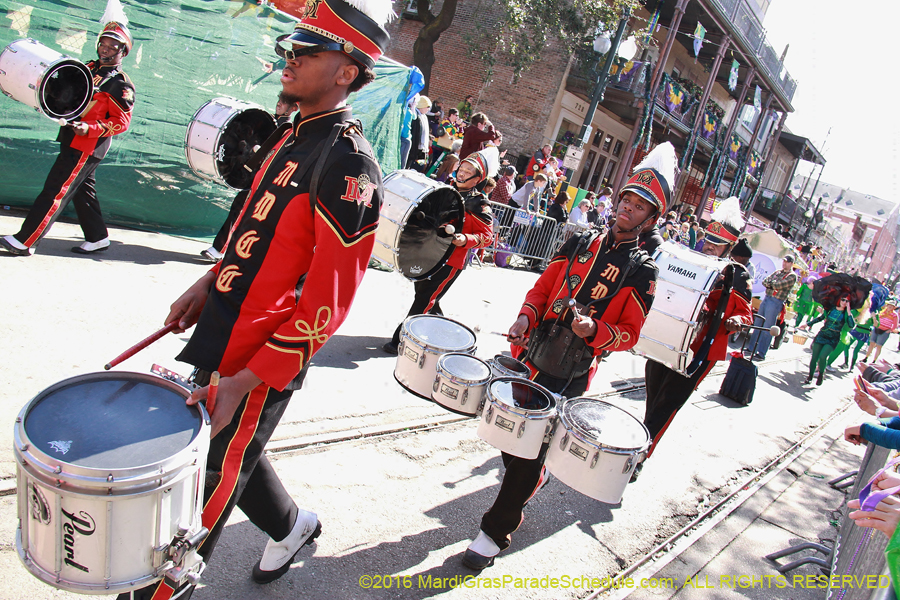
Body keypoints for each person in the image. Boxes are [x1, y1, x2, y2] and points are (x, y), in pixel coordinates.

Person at [117, 2, 391, 597]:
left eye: (307, 52)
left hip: (258, 358)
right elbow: (256, 233)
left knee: (199, 497)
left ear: (347, 72)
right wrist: (206, 282)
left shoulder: (349, 165)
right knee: (230, 452)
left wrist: (245, 380)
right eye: (290, 48)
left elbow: (330, 299)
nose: (288, 59)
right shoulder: (291, 132)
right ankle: (292, 527)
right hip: (223, 326)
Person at [460, 142, 675, 571]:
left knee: (527, 447)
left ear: (652, 218)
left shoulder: (643, 269)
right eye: (626, 201)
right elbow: (543, 287)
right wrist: (524, 317)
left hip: (570, 368)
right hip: (533, 350)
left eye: (638, 207)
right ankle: (533, 474)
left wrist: (596, 331)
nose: (627, 210)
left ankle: (494, 531)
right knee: (509, 437)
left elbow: (629, 334)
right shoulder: (580, 239)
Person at [1, 17, 135, 257]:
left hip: (87, 144)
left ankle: (26, 241)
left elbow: (122, 122)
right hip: (70, 137)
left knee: (55, 190)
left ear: (123, 51)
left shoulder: (119, 85)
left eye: (113, 45)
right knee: (83, 190)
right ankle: (98, 237)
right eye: (103, 42)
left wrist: (90, 128)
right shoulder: (88, 68)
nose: (106, 48)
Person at [641, 199, 752, 478]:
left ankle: (640, 455)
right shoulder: (692, 260)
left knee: (668, 403)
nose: (709, 246)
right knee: (653, 396)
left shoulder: (738, 276)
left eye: (717, 244)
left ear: (729, 248)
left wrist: (738, 322)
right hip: (668, 336)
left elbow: (745, 314)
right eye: (708, 240)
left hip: (700, 349)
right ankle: (641, 440)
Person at [383, 147, 498, 354]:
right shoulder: (444, 189)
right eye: (461, 168)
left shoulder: (480, 204)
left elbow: (487, 236)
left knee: (425, 299)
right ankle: (448, 332)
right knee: (426, 296)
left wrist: (466, 239)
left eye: (467, 170)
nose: (461, 173)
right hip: (429, 253)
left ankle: (400, 340)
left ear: (477, 178)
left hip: (451, 261)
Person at [201, 92, 301, 262]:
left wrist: (261, 152)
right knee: (242, 213)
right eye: (279, 100)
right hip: (253, 177)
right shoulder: (267, 121)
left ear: (293, 108)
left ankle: (220, 250)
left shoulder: (288, 130)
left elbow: (280, 156)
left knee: (243, 213)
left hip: (265, 180)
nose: (279, 104)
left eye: (284, 103)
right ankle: (227, 252)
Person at [748, 254, 798, 360]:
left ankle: (761, 353)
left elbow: (779, 285)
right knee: (758, 323)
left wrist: (771, 284)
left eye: (787, 262)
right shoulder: (778, 272)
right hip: (767, 298)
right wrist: (772, 284)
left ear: (791, 264)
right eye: (784, 261)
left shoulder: (792, 275)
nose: (784, 263)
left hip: (776, 301)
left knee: (767, 327)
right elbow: (765, 281)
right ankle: (751, 348)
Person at [800, 295, 855, 386]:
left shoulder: (846, 313)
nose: (844, 302)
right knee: (814, 357)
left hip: (833, 338)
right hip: (822, 334)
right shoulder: (831, 308)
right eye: (843, 299)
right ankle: (810, 377)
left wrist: (849, 311)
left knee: (823, 356)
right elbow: (821, 318)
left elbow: (851, 325)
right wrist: (807, 324)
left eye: (847, 301)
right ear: (839, 299)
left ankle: (821, 374)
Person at [865, 298, 900, 363]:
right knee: (872, 343)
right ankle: (866, 357)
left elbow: (895, 325)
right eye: (889, 305)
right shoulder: (882, 312)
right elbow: (877, 319)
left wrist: (890, 330)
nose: (890, 306)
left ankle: (874, 360)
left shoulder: (894, 315)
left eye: (892, 306)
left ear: (894, 307)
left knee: (879, 345)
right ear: (887, 305)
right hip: (877, 328)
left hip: (884, 331)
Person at [406, 95, 431, 170]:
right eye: (427, 106)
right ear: (422, 106)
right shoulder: (415, 116)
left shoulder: (424, 117)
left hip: (421, 149)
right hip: (414, 147)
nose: (428, 109)